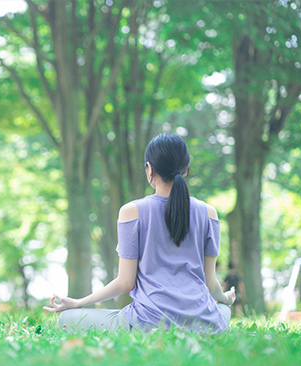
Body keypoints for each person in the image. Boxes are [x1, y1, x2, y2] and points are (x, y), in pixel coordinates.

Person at [44, 133, 235, 333]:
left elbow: (126, 282)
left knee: (66, 318)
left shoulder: (131, 211)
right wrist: (226, 299)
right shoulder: (209, 213)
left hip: (147, 322)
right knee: (222, 309)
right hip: (202, 323)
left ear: (149, 169)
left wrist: (79, 302)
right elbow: (211, 283)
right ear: (186, 169)